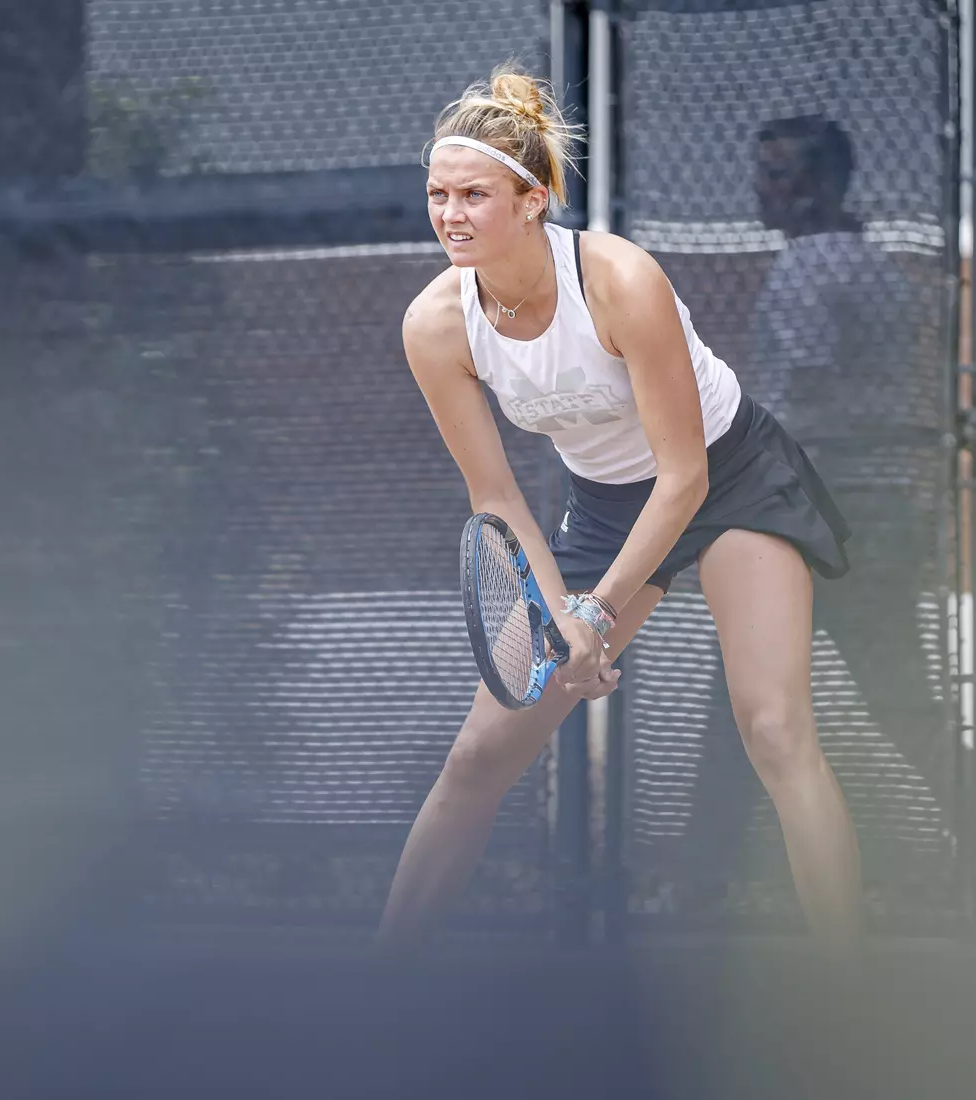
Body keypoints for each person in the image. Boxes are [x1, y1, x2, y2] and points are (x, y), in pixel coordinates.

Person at [375, 66, 865, 954]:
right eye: (438, 195)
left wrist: (595, 613)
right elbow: (496, 498)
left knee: (775, 728)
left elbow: (683, 479)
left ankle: (851, 984)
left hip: (729, 479)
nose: (451, 214)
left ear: (533, 198)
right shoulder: (435, 325)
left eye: (475, 195)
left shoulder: (618, 279)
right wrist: (561, 612)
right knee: (479, 758)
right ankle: (380, 984)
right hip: (602, 507)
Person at [681, 115, 948, 885]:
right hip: (865, 518)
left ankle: (699, 882)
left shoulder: (814, 269)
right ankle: (703, 876)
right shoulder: (859, 261)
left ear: (826, 184)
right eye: (763, 172)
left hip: (820, 522)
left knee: (744, 702)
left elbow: (805, 402)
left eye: (785, 174)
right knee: (896, 701)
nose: (766, 188)